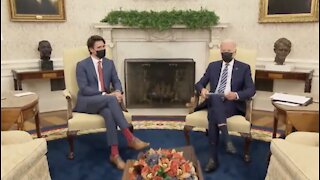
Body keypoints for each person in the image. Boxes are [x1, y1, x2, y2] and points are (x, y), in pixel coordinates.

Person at [74, 35, 150, 170]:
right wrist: (107, 95)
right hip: (87, 101)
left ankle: (114, 155)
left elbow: (116, 81)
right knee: (110, 99)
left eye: (104, 46)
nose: (103, 49)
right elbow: (84, 89)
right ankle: (130, 138)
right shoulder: (82, 65)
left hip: (105, 101)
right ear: (91, 50)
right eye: (99, 47)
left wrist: (119, 91)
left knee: (109, 113)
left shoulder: (109, 63)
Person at [194, 39, 256, 172]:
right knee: (215, 97)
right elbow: (199, 83)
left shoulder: (244, 68)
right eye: (223, 51)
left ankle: (213, 159)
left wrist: (236, 95)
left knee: (213, 115)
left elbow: (251, 90)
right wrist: (202, 90)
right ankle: (227, 139)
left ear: (235, 52)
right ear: (220, 52)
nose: (226, 53)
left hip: (232, 103)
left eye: (229, 51)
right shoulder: (213, 66)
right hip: (214, 99)